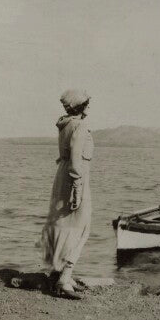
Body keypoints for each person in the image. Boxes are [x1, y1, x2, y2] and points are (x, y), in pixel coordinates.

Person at [39, 89, 95, 299]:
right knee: (81, 227)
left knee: (63, 225)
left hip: (63, 177)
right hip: (74, 179)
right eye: (88, 103)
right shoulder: (79, 126)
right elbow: (75, 160)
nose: (89, 106)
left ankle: (59, 273)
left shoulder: (66, 124)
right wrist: (78, 189)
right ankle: (65, 278)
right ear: (82, 106)